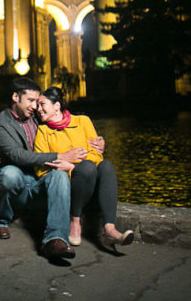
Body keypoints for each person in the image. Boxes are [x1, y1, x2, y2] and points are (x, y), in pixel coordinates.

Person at [0, 77, 88, 260]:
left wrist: (94, 142)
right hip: (19, 180)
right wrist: (58, 156)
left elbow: (65, 123)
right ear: (15, 97)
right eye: (31, 101)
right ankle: (0, 220)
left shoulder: (38, 115)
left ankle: (55, 240)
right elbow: (16, 155)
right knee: (8, 174)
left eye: (37, 101)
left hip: (42, 179)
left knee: (59, 175)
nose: (35, 106)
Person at [33, 87, 134, 248]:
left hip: (89, 183)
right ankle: (75, 220)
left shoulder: (83, 121)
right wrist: (72, 166)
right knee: (87, 166)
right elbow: (40, 169)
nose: (37, 109)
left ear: (57, 106)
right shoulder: (43, 131)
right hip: (68, 190)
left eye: (42, 104)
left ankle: (110, 228)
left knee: (106, 166)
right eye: (37, 105)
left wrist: (71, 165)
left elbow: (97, 155)